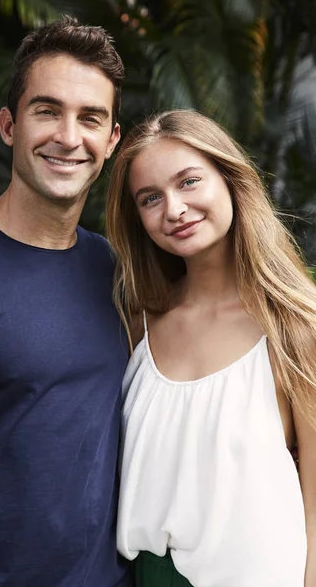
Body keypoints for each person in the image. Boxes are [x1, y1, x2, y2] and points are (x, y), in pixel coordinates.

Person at [0, 16, 132, 587]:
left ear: (111, 141)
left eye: (90, 118)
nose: (68, 136)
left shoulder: (114, 271)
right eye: (47, 110)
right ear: (9, 125)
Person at [106, 109, 316, 587]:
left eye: (189, 181)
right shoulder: (136, 322)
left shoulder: (295, 326)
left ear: (229, 179)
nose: (174, 209)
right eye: (150, 198)